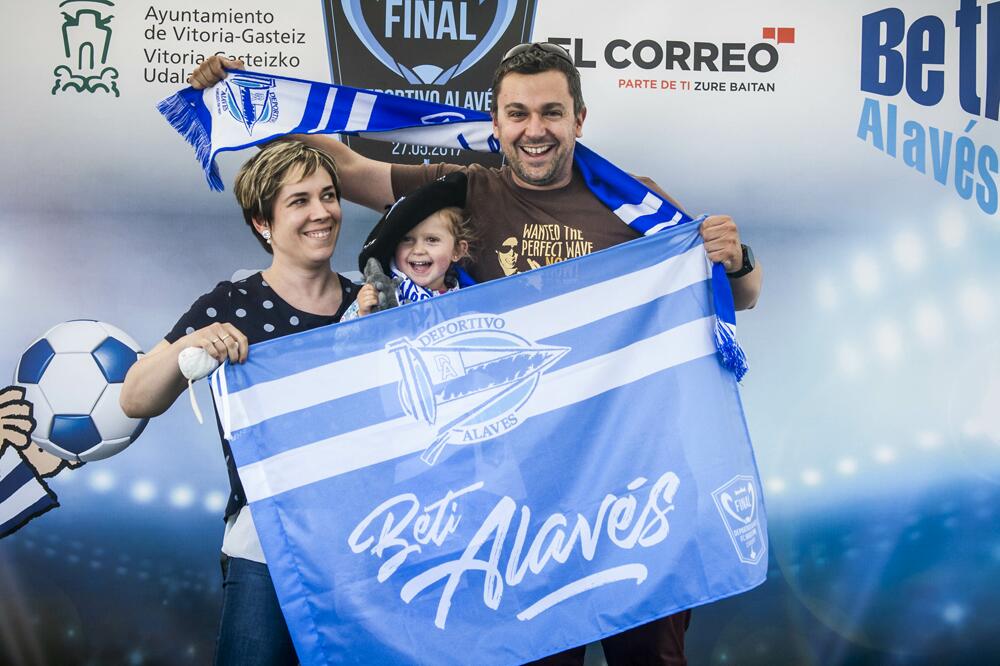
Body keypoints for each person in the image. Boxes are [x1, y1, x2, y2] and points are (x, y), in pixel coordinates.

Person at [189, 40, 762, 666]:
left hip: (636, 480)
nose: (535, 130)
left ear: (579, 119)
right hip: (523, 505)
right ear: (496, 123)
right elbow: (348, 170)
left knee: (652, 659)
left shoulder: (634, 200)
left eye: (551, 112)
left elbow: (743, 292)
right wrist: (254, 99)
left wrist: (738, 258)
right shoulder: (465, 192)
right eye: (518, 114)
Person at [119, 140, 357, 666]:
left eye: (329, 195)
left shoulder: (368, 303)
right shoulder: (230, 304)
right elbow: (134, 397)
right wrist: (190, 343)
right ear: (262, 223)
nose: (322, 212)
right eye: (299, 201)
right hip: (266, 546)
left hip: (362, 540)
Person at [342, 171, 474, 320]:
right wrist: (362, 314)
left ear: (457, 250)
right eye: (407, 239)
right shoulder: (380, 293)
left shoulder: (469, 295)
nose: (418, 250)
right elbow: (340, 334)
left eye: (432, 239)